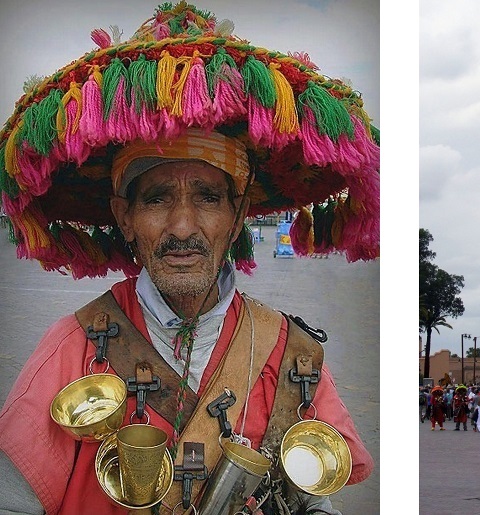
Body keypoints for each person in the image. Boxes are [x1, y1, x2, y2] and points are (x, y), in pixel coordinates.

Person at [0, 3, 379, 514]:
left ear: (238, 214)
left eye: (206, 197)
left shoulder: (293, 356)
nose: (182, 227)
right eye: (156, 199)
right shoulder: (69, 349)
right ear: (125, 216)